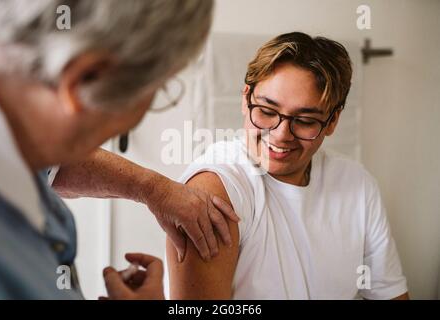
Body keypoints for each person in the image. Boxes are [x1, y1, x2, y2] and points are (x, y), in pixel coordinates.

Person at [0, 0, 238, 300]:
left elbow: (55, 162)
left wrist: (153, 188)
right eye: (157, 92)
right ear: (85, 80)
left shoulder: (18, 132)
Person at [166, 32, 409, 300]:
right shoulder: (216, 189)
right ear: (246, 100)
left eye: (305, 120)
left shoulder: (357, 185)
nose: (281, 134)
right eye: (267, 111)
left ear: (332, 121)